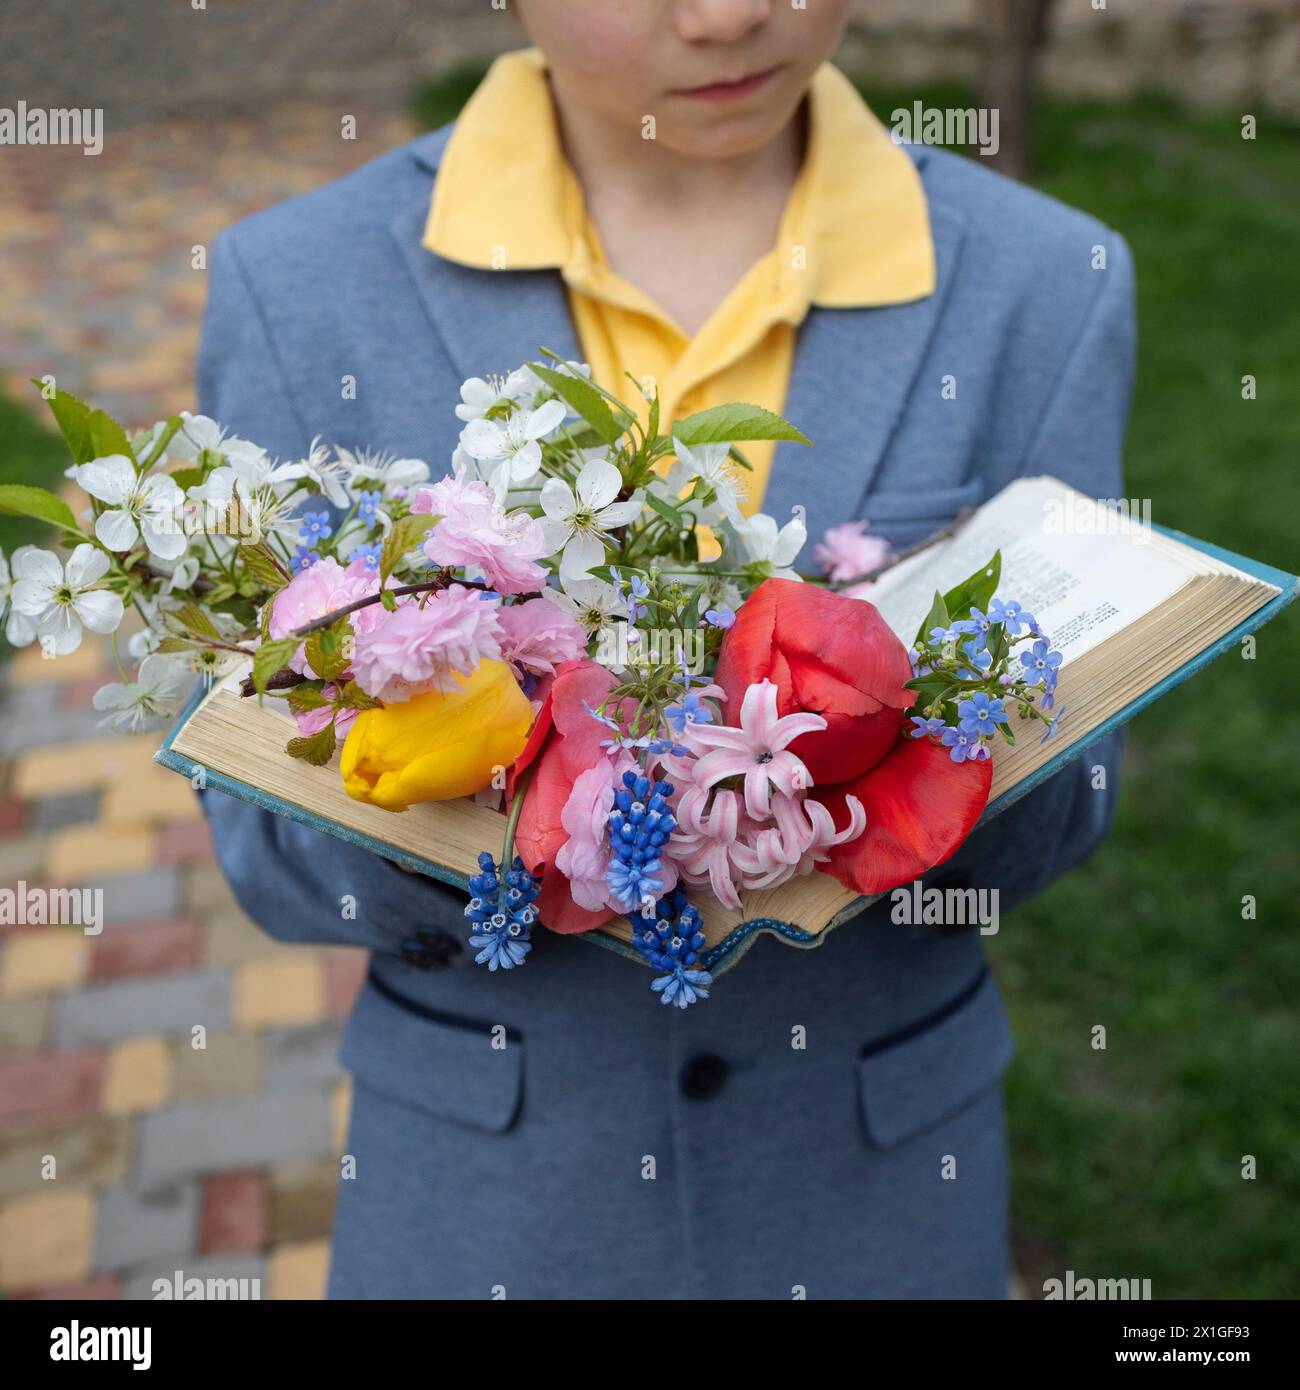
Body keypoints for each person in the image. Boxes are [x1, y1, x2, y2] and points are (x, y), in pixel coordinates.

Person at [197, 0, 1133, 1299]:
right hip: (496, 1205)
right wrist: (504, 825)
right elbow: (262, 840)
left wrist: (876, 786)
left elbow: (1075, 788)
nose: (728, 15)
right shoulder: (299, 285)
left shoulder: (1043, 280)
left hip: (871, 1197)